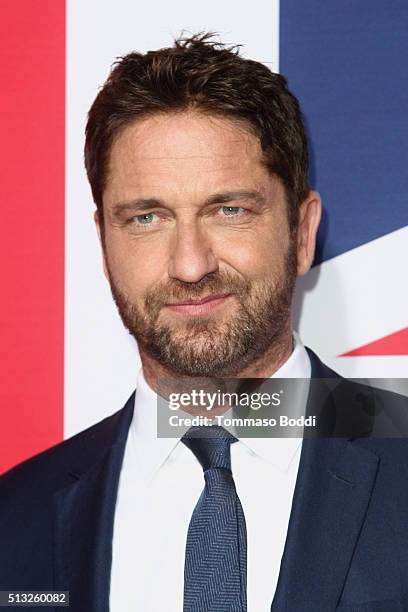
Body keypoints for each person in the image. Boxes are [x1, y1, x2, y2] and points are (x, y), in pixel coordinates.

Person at [1, 33, 408, 612]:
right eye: (147, 217)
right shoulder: (16, 520)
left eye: (229, 210)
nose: (190, 265)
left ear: (302, 233)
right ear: (104, 242)